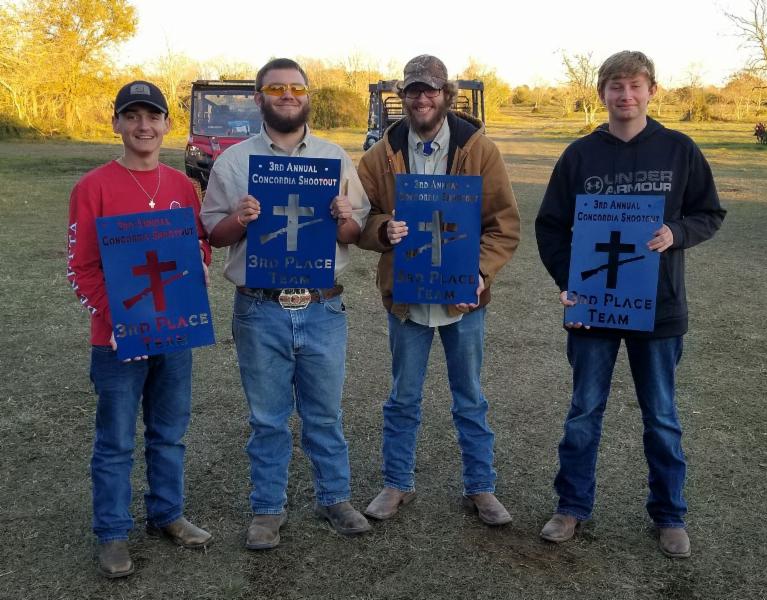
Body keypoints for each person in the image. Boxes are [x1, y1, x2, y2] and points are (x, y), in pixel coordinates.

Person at [535, 51, 726, 558]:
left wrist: (676, 232)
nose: (626, 95)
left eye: (635, 85)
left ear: (651, 91)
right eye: (616, 86)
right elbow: (550, 226)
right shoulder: (579, 156)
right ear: (602, 93)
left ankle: (669, 514)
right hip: (594, 306)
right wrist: (568, 281)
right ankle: (571, 506)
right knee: (583, 412)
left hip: (659, 308)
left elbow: (709, 213)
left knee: (661, 417)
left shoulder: (679, 150)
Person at [200, 58, 371, 549]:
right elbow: (215, 234)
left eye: (297, 87)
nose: (288, 95)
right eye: (276, 88)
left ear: (307, 95)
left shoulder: (334, 158)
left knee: (325, 413)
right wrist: (239, 218)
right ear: (259, 98)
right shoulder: (234, 162)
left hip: (322, 307)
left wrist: (343, 216)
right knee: (267, 418)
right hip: (261, 308)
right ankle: (267, 509)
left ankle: (335, 497)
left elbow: (353, 233)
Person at [357, 55, 520, 525]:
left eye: (431, 90)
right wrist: (383, 229)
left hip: (462, 301)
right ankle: (397, 483)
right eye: (413, 90)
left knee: (469, 397)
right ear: (402, 96)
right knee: (403, 397)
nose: (422, 98)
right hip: (407, 300)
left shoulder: (479, 150)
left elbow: (504, 225)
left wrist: (479, 273)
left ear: (447, 95)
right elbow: (359, 218)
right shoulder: (380, 154)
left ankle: (481, 488)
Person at [67, 81, 213, 578]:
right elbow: (81, 268)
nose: (143, 126)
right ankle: (112, 533)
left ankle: (167, 514)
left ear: (167, 124)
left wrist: (200, 260)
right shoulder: (93, 187)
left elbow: (198, 243)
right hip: (117, 342)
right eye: (132, 116)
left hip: (173, 333)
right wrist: (119, 323)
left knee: (169, 433)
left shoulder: (181, 186)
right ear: (116, 124)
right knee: (115, 442)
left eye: (152, 116)